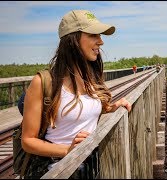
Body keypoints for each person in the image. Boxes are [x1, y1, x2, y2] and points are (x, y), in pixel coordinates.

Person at [21, 10, 132, 178]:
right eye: (94, 35)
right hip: (60, 170)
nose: (101, 41)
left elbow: (83, 112)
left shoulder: (91, 76)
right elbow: (28, 141)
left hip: (91, 167)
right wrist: (68, 150)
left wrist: (111, 107)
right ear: (73, 39)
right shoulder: (43, 82)